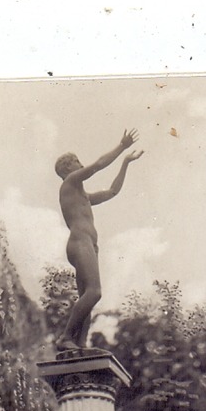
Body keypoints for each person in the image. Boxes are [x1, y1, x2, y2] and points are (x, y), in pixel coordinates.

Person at [55, 129, 144, 352]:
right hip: (80, 241)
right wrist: (121, 146)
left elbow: (113, 191)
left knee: (88, 296)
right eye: (75, 160)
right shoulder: (70, 182)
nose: (80, 163)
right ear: (67, 168)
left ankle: (80, 344)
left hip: (88, 244)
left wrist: (125, 163)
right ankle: (65, 337)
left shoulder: (83, 196)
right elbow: (97, 165)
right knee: (94, 292)